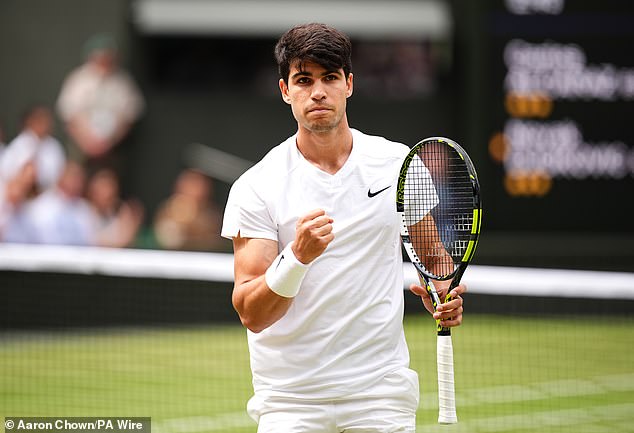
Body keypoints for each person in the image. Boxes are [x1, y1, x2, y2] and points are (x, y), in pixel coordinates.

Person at [221, 23, 466, 432]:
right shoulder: (256, 187)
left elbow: (434, 257)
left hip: (380, 394)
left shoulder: (399, 164)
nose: (318, 91)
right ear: (286, 91)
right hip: (290, 401)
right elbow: (252, 312)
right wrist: (296, 258)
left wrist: (443, 290)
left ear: (349, 84)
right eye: (304, 80)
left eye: (329, 78)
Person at [56, 33, 144, 174]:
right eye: (101, 57)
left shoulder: (123, 82)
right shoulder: (78, 80)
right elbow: (69, 117)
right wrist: (87, 142)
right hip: (81, 146)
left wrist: (110, 142)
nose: (105, 61)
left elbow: (130, 117)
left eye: (109, 57)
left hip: (113, 148)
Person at [153, 168, 228, 251]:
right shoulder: (168, 209)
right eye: (191, 184)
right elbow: (166, 239)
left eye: (199, 184)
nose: (197, 189)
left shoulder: (213, 214)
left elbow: (217, 241)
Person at [0, 105, 66, 192]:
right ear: (30, 121)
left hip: (47, 195)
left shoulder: (54, 145)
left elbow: (60, 175)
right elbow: (6, 172)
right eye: (40, 120)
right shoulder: (19, 144)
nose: (45, 125)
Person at [85, 168, 144, 248]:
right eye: (102, 189)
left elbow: (126, 240)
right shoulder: (83, 211)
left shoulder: (120, 209)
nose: (106, 193)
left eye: (109, 188)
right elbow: (89, 240)